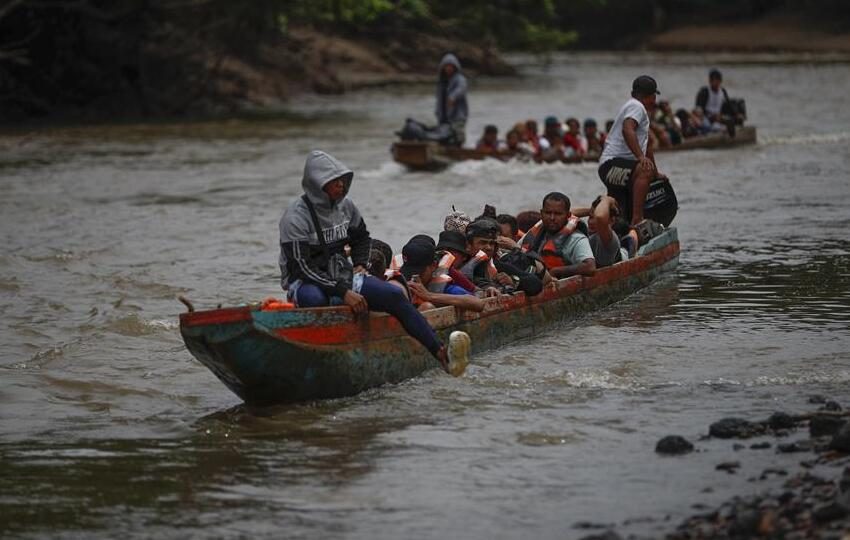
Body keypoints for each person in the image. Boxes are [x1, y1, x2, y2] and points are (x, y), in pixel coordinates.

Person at [279, 150, 469, 373]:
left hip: (340, 274)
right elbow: (301, 267)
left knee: (394, 296)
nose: (341, 185)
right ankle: (317, 362)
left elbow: (361, 238)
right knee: (315, 299)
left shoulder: (346, 207)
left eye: (343, 181)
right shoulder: (295, 217)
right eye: (334, 182)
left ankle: (440, 352)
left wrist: (359, 263)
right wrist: (343, 292)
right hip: (305, 280)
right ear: (316, 185)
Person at [597, 75, 671, 226]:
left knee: (619, 219)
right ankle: (638, 220)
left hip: (621, 168)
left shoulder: (637, 109)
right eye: (653, 97)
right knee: (645, 170)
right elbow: (627, 130)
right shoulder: (636, 106)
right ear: (649, 96)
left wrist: (655, 173)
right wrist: (641, 158)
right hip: (611, 166)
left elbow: (648, 146)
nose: (654, 101)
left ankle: (622, 233)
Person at [395, 238, 485, 312]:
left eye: (419, 272)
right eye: (409, 272)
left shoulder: (444, 286)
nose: (413, 277)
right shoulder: (400, 281)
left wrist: (429, 296)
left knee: (427, 307)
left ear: (433, 266)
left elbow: (478, 304)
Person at [520, 192, 595, 278]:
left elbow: (590, 267)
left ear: (568, 215)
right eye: (548, 213)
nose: (552, 218)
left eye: (558, 214)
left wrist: (556, 271)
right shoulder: (535, 233)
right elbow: (519, 249)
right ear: (541, 213)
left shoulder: (577, 239)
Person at [695, 69, 744, 135]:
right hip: (707, 117)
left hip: (720, 116)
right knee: (723, 122)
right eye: (715, 81)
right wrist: (711, 116)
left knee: (736, 118)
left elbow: (729, 105)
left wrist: (737, 114)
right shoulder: (704, 92)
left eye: (718, 81)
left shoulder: (722, 91)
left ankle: (736, 134)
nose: (717, 83)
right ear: (710, 81)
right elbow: (699, 108)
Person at [435, 53, 468, 146]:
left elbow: (462, 88)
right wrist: (437, 112)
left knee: (458, 137)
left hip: (458, 116)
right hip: (443, 116)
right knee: (444, 138)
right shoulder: (441, 82)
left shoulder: (460, 79)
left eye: (451, 66)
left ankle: (460, 151)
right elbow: (438, 99)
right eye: (446, 66)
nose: (448, 68)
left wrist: (453, 97)